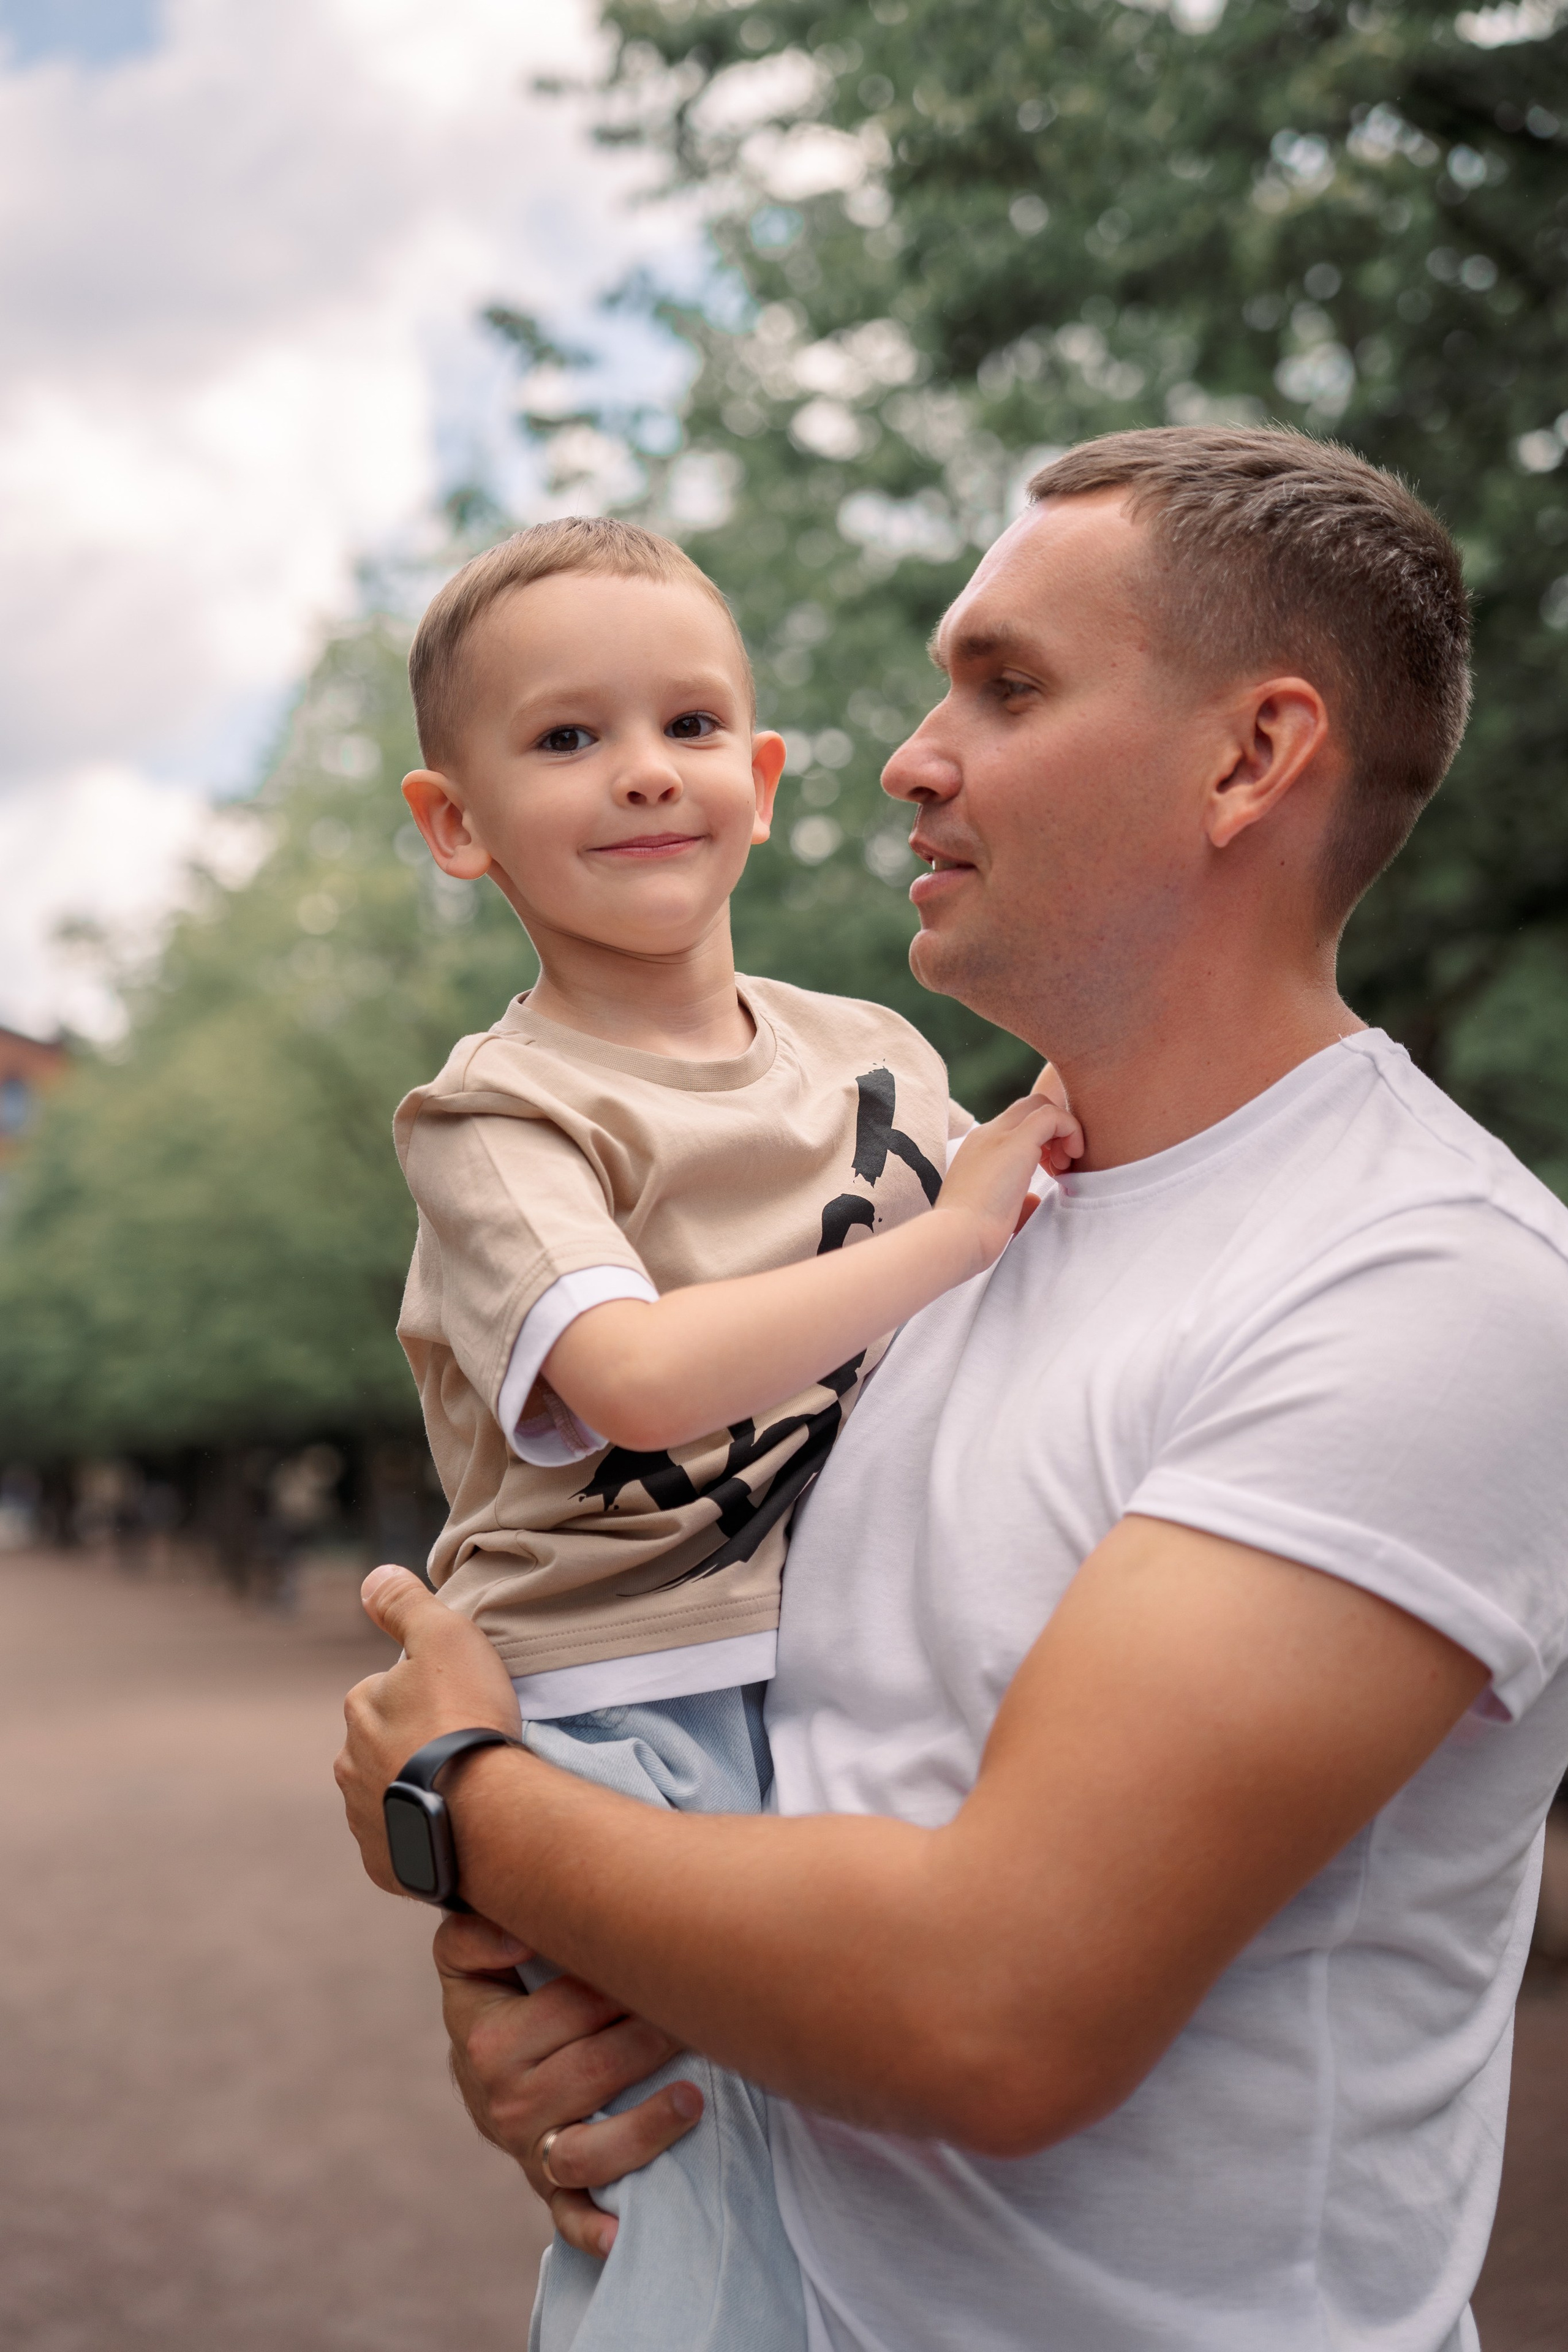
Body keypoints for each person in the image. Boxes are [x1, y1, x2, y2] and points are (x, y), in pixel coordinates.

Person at [339, 428, 1568, 2352]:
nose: (908, 755)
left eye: (1005, 688)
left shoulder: (1423, 1284)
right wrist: (566, 2003)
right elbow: (797, 1783)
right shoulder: (956, 1229)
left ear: (1250, 761)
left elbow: (988, 2016)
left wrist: (459, 1804)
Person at [386, 514, 1080, 2352]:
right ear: (456, 826)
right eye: (563, 740)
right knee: (687, 2204)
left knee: (875, 2179)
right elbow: (631, 1379)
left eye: (691, 725)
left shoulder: (878, 1053)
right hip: (621, 1698)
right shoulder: (503, 1114)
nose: (642, 773)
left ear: (762, 780)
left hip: (841, 1663)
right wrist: (948, 1234)